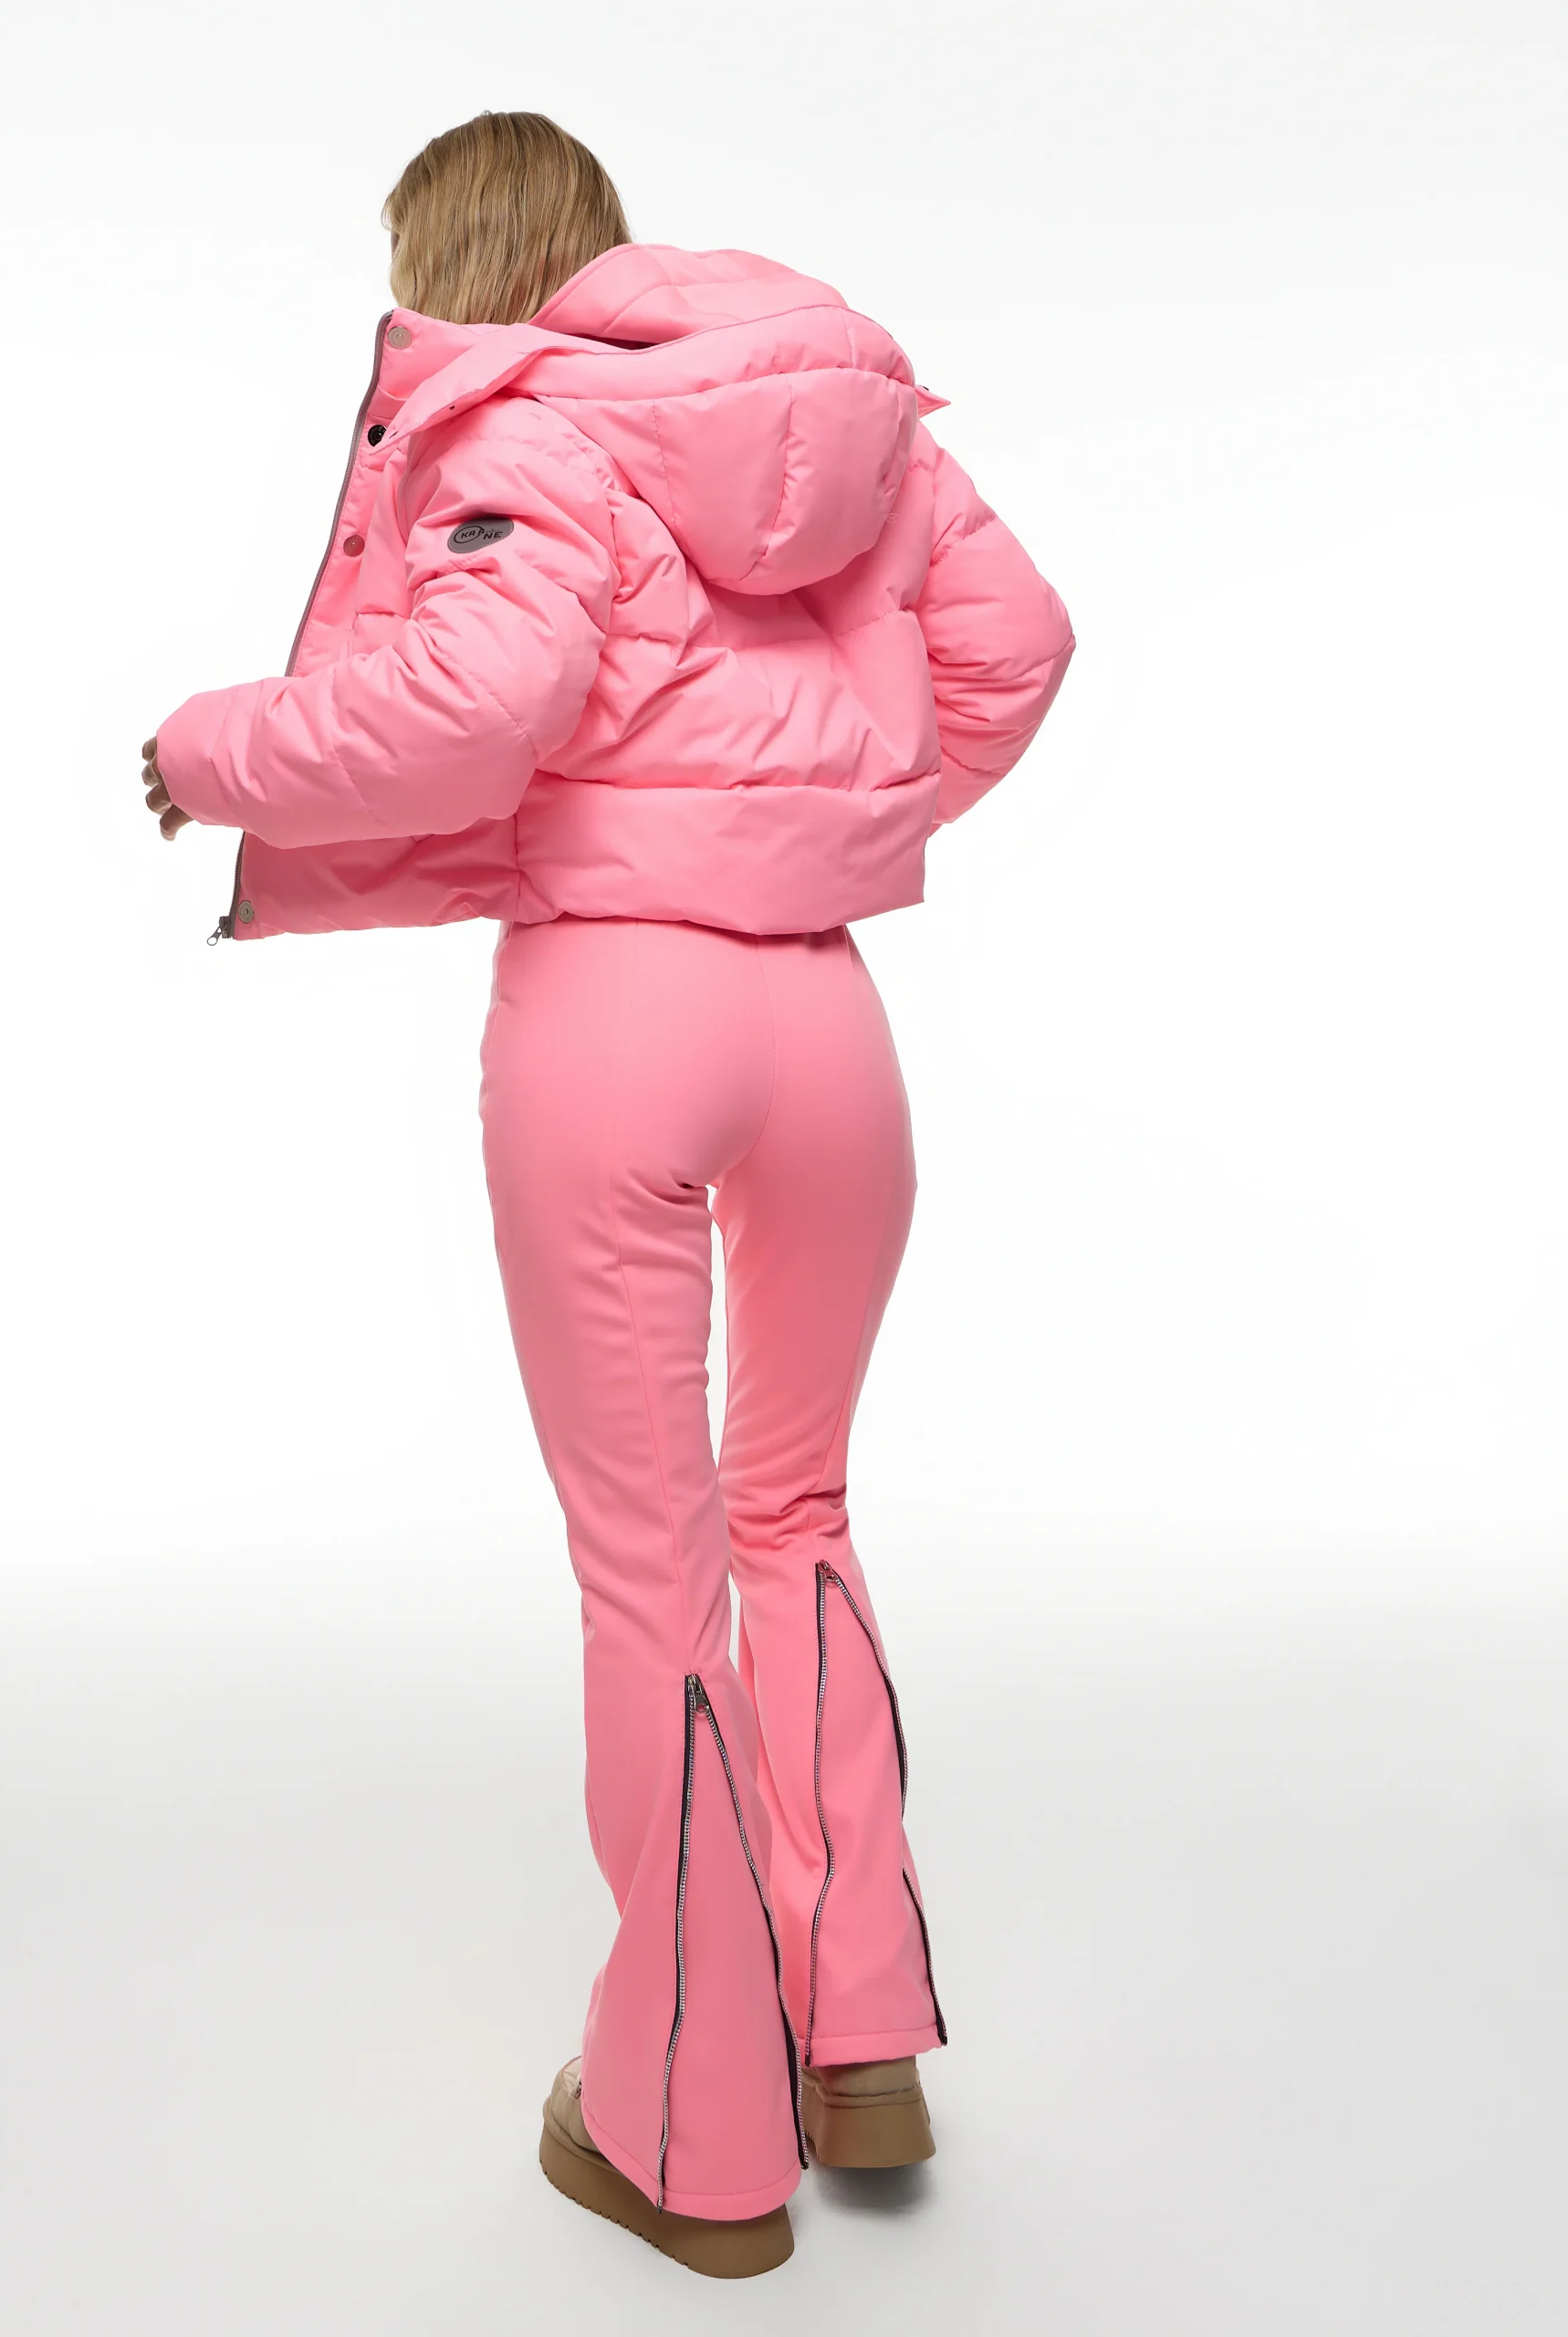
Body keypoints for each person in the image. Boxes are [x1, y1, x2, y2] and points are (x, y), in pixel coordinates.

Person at [140, 110, 1073, 2279]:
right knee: (798, 1509)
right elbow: (1021, 643)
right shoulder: (837, 415)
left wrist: (205, 751)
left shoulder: (522, 421)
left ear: (444, 262)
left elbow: (479, 698)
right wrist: (827, 817)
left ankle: (690, 2130)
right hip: (829, 1022)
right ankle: (860, 2033)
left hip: (616, 1017)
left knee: (653, 1574)